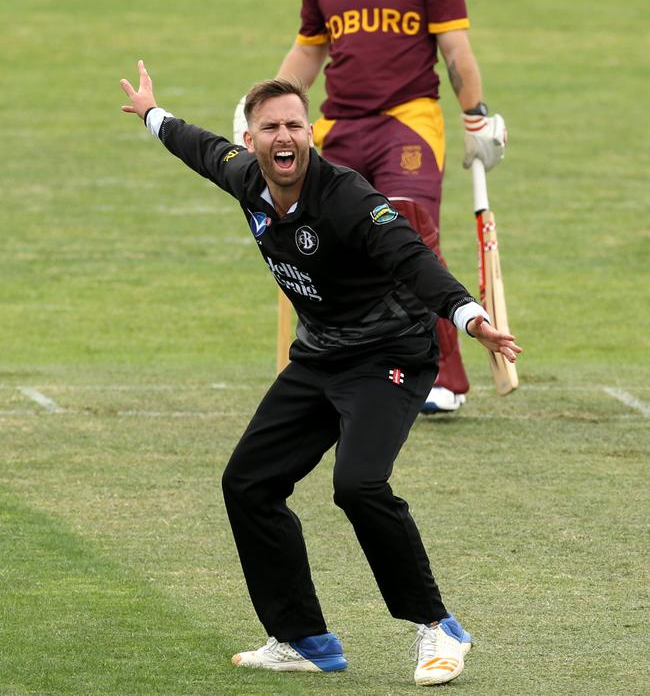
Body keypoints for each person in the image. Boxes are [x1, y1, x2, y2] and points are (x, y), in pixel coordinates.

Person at [121, 60, 521, 686]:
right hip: (321, 354)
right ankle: (304, 638)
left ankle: (438, 628)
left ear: (310, 133)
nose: (285, 138)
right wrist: (152, 114)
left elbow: (412, 258)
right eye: (270, 129)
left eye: (295, 126)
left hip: (389, 355)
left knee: (358, 485)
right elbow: (196, 147)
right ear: (250, 141)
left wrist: (470, 317)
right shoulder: (244, 176)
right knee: (248, 483)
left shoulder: (350, 198)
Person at [234, 0, 508, 415]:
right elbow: (307, 57)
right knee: (329, 241)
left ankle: (443, 380)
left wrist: (476, 116)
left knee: (406, 234)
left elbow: (456, 52)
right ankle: (342, 364)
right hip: (335, 125)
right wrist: (259, 108)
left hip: (407, 121)